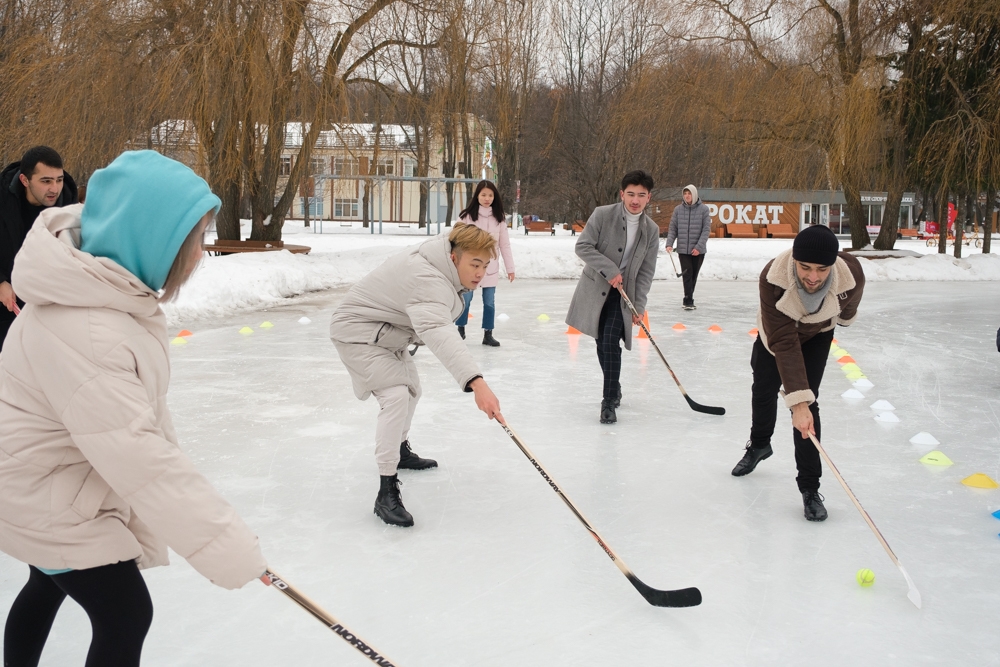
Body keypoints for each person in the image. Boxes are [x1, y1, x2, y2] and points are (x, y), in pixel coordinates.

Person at [0, 150, 268, 667]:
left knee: (47, 581)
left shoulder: (99, 289)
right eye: (194, 244)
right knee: (124, 612)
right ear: (153, 243)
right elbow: (139, 455)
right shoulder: (90, 328)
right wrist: (225, 544)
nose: (200, 257)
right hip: (42, 490)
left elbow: (139, 424)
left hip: (47, 475)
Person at [330, 223, 505, 527]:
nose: (480, 273)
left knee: (413, 390)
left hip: (387, 333)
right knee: (396, 396)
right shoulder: (427, 278)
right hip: (359, 334)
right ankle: (386, 492)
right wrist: (477, 383)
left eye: (485, 266)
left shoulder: (440, 260)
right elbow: (439, 331)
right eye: (474, 264)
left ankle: (399, 450)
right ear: (454, 258)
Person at [731, 225, 865, 522]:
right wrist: (797, 402)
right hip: (777, 335)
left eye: (822, 269)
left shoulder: (850, 275)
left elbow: (849, 306)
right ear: (794, 260)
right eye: (805, 267)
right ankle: (759, 444)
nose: (813, 277)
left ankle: (809, 488)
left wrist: (803, 403)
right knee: (765, 388)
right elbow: (784, 341)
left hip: (817, 334)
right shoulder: (773, 278)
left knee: (808, 405)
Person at [566, 170, 659, 424]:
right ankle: (614, 386)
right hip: (597, 290)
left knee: (610, 341)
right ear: (622, 194)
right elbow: (582, 246)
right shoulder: (602, 214)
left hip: (623, 295)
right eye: (630, 194)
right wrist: (610, 269)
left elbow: (646, 272)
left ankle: (608, 401)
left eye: (641, 195)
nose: (635, 200)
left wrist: (639, 306)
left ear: (648, 197)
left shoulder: (651, 230)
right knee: (601, 343)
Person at [0, 146, 79, 349]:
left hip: (47, 301)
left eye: (58, 180)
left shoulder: (70, 209)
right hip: (6, 298)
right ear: (25, 181)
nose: (54, 188)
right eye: (46, 181)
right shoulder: (3, 200)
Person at [454, 180, 515, 347]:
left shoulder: (499, 218)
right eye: (483, 195)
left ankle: (488, 334)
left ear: (494, 197)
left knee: (489, 302)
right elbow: (455, 239)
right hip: (470, 266)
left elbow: (504, 244)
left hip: (491, 266)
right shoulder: (466, 216)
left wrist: (510, 268)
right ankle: (459, 329)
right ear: (477, 196)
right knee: (466, 299)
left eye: (490, 195)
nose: (487, 198)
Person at [664, 184, 711, 310]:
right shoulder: (678, 210)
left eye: (689, 193)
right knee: (687, 274)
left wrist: (699, 247)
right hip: (683, 249)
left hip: (698, 250)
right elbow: (673, 228)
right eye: (685, 194)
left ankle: (689, 295)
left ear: (694, 194)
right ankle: (688, 299)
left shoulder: (704, 210)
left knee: (693, 275)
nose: (687, 196)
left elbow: (706, 230)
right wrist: (669, 243)